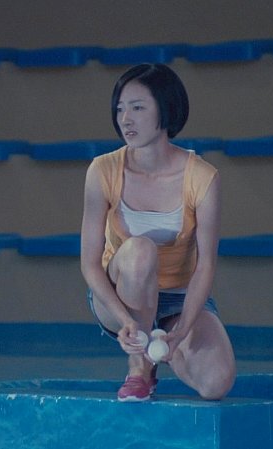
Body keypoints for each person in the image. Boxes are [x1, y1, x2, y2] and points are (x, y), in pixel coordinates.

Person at [80, 63, 236, 402]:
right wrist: (126, 321)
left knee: (216, 384)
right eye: (120, 109)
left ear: (165, 109)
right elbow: (90, 264)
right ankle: (139, 367)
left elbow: (205, 265)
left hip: (178, 298)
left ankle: (165, 343)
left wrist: (183, 330)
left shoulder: (203, 177)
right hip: (119, 295)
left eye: (137, 108)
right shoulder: (102, 170)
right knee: (140, 250)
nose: (126, 119)